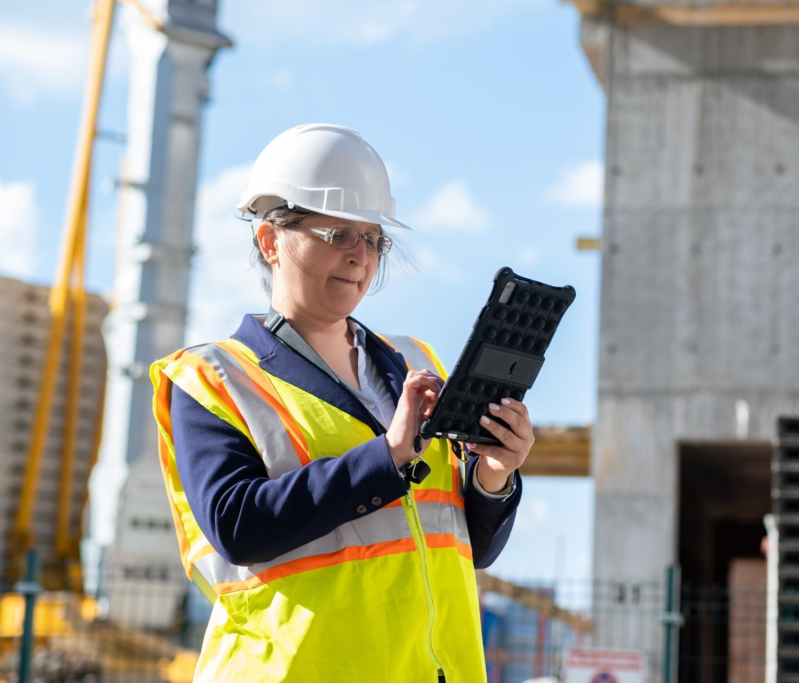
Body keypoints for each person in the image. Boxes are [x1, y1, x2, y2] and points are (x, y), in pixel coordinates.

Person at [150, 123, 533, 682]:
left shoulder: (412, 360)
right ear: (270, 241)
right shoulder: (212, 378)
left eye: (373, 238)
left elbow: (468, 546)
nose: (360, 255)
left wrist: (494, 476)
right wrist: (389, 455)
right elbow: (237, 526)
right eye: (336, 234)